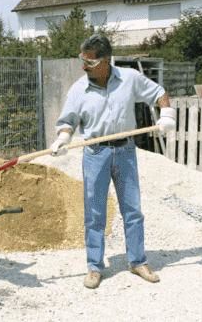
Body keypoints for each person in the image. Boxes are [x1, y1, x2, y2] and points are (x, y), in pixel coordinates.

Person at [50, 34, 176, 289]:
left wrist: (167, 115)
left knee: (132, 209)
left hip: (126, 152)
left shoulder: (129, 79)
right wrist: (63, 138)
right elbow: (68, 122)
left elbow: (160, 93)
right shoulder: (78, 89)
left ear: (106, 61)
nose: (84, 67)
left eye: (90, 63)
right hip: (95, 154)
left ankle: (137, 261)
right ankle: (94, 267)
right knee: (95, 213)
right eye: (82, 61)